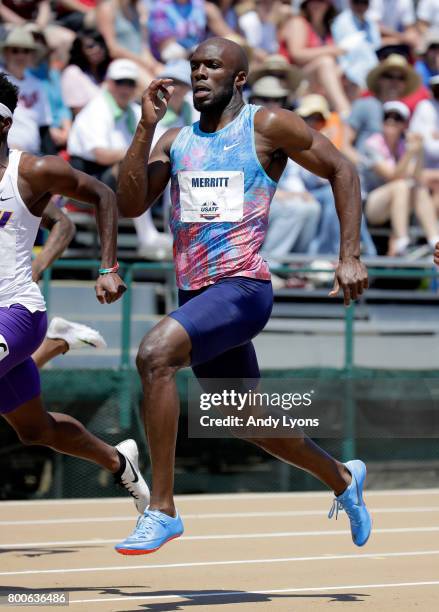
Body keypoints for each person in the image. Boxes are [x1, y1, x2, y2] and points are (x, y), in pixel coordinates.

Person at [114, 37, 371, 555]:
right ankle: (343, 478)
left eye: (212, 65)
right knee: (242, 418)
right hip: (196, 296)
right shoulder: (174, 140)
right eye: (194, 66)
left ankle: (161, 509)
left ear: (238, 78)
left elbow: (343, 169)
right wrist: (144, 128)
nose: (200, 73)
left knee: (154, 355)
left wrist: (349, 254)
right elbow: (130, 203)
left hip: (243, 289)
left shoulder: (267, 125)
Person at [0, 72, 149, 512]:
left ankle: (53, 339)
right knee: (35, 430)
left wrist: (107, 267)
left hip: (17, 310)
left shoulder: (32, 171)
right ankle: (120, 462)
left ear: (4, 124)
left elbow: (103, 194)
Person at [362, 100, 439, 256]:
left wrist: (420, 151)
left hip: (396, 205)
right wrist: (411, 152)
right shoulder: (371, 144)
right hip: (371, 207)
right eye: (387, 117)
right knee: (401, 185)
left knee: (417, 187)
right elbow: (392, 176)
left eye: (397, 118)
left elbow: (417, 177)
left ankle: (434, 239)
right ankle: (402, 240)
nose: (391, 121)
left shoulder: (403, 145)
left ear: (404, 125)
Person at [278, 0, 351, 116]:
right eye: (312, 1)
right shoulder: (298, 22)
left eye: (321, 1)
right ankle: (345, 112)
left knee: (349, 74)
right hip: (295, 80)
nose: (316, 3)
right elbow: (296, 54)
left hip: (317, 81)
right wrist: (330, 50)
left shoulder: (328, 28)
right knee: (325, 62)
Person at [1, 27, 52, 156]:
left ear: (32, 55)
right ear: (6, 53)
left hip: (33, 154)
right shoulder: (0, 80)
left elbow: (43, 126)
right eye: (15, 50)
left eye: (26, 51)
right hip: (6, 155)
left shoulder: (37, 84)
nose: (21, 55)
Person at [331, 0, 381, 89]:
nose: (360, 6)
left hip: (371, 70)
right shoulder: (342, 22)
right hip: (351, 73)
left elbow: (377, 45)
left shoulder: (370, 23)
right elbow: (342, 52)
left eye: (364, 2)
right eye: (357, 2)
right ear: (350, 2)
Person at [61, 28, 111, 116]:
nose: (97, 49)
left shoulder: (109, 72)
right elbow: (79, 113)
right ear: (80, 50)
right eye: (90, 46)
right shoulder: (73, 73)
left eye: (101, 44)